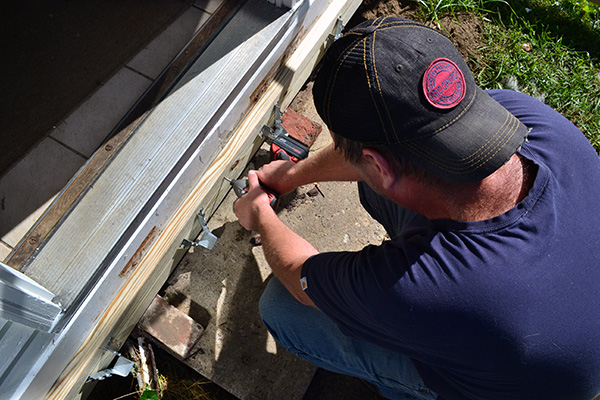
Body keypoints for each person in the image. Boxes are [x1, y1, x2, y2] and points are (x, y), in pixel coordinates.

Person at [233, 16, 600, 400]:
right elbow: (368, 158)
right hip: (567, 319)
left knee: (283, 309)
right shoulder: (527, 118)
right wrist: (291, 176)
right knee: (376, 190)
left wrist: (260, 213)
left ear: (379, 165)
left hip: (529, 390)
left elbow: (300, 278)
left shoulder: (422, 287)